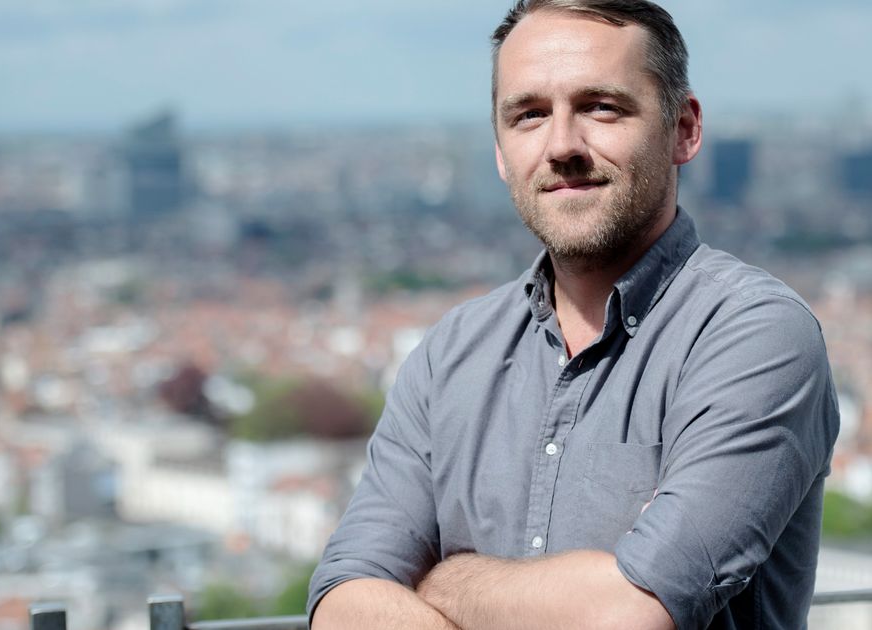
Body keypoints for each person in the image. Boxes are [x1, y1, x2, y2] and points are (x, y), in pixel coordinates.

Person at [307, 1, 840, 628]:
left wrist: (447, 581)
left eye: (601, 107)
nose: (562, 145)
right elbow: (341, 603)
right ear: (501, 151)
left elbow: (634, 613)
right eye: (529, 115)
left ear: (683, 129)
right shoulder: (451, 354)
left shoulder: (753, 335)